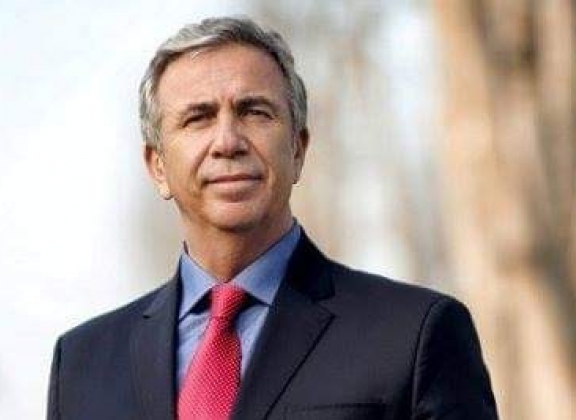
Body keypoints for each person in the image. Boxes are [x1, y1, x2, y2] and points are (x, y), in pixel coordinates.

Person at [46, 16, 498, 420]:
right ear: (157, 166)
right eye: (198, 118)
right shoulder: (81, 365)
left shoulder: (415, 335)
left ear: (298, 149)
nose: (227, 141)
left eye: (255, 112)